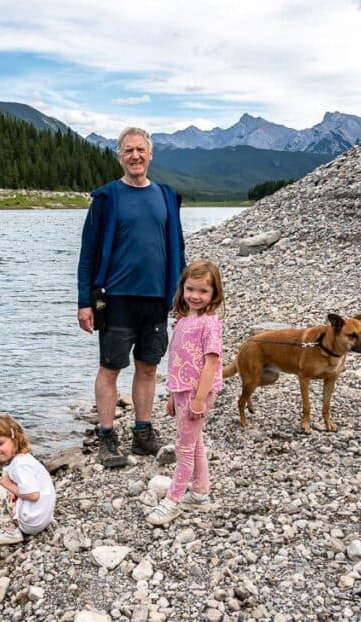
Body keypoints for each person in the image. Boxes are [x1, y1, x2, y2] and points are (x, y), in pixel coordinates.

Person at [77, 127, 186, 468]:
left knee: (148, 368)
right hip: (116, 298)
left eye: (141, 149)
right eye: (128, 151)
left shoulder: (167, 196)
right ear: (120, 157)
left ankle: (142, 433)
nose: (135, 156)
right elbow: (88, 254)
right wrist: (84, 301)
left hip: (157, 299)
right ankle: (107, 437)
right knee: (110, 368)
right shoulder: (107, 199)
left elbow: (177, 250)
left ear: (150, 154)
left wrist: (181, 297)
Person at [146, 260, 225, 526]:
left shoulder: (209, 323)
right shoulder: (183, 320)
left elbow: (211, 362)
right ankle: (200, 493)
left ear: (214, 293)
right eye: (190, 289)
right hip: (182, 390)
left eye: (203, 291)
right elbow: (180, 361)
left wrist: (200, 398)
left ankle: (173, 499)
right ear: (182, 289)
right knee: (196, 442)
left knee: (184, 447)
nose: (195, 296)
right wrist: (172, 394)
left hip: (196, 393)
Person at [0, 414, 56, 545]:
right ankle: (18, 523)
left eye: (0, 443)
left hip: (32, 523)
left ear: (15, 440)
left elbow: (33, 495)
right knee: (1, 486)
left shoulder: (20, 465)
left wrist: (6, 484)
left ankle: (10, 532)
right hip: (42, 519)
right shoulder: (24, 459)